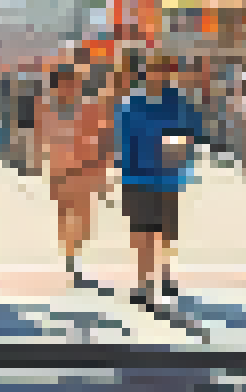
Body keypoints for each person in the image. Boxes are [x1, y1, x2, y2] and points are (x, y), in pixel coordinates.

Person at [116, 54, 201, 308]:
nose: (160, 75)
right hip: (136, 177)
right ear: (146, 73)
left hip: (166, 178)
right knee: (142, 234)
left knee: (164, 234)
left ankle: (164, 274)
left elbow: (189, 135)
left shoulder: (178, 102)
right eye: (155, 71)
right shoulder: (132, 102)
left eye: (165, 71)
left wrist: (178, 154)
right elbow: (123, 139)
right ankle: (143, 284)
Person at [41, 63, 111, 284]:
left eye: (73, 83)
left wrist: (101, 168)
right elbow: (44, 140)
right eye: (64, 83)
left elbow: (103, 137)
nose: (69, 87)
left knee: (82, 216)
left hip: (84, 168)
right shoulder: (46, 110)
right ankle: (70, 255)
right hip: (60, 171)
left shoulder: (89, 108)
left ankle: (75, 255)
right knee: (65, 213)